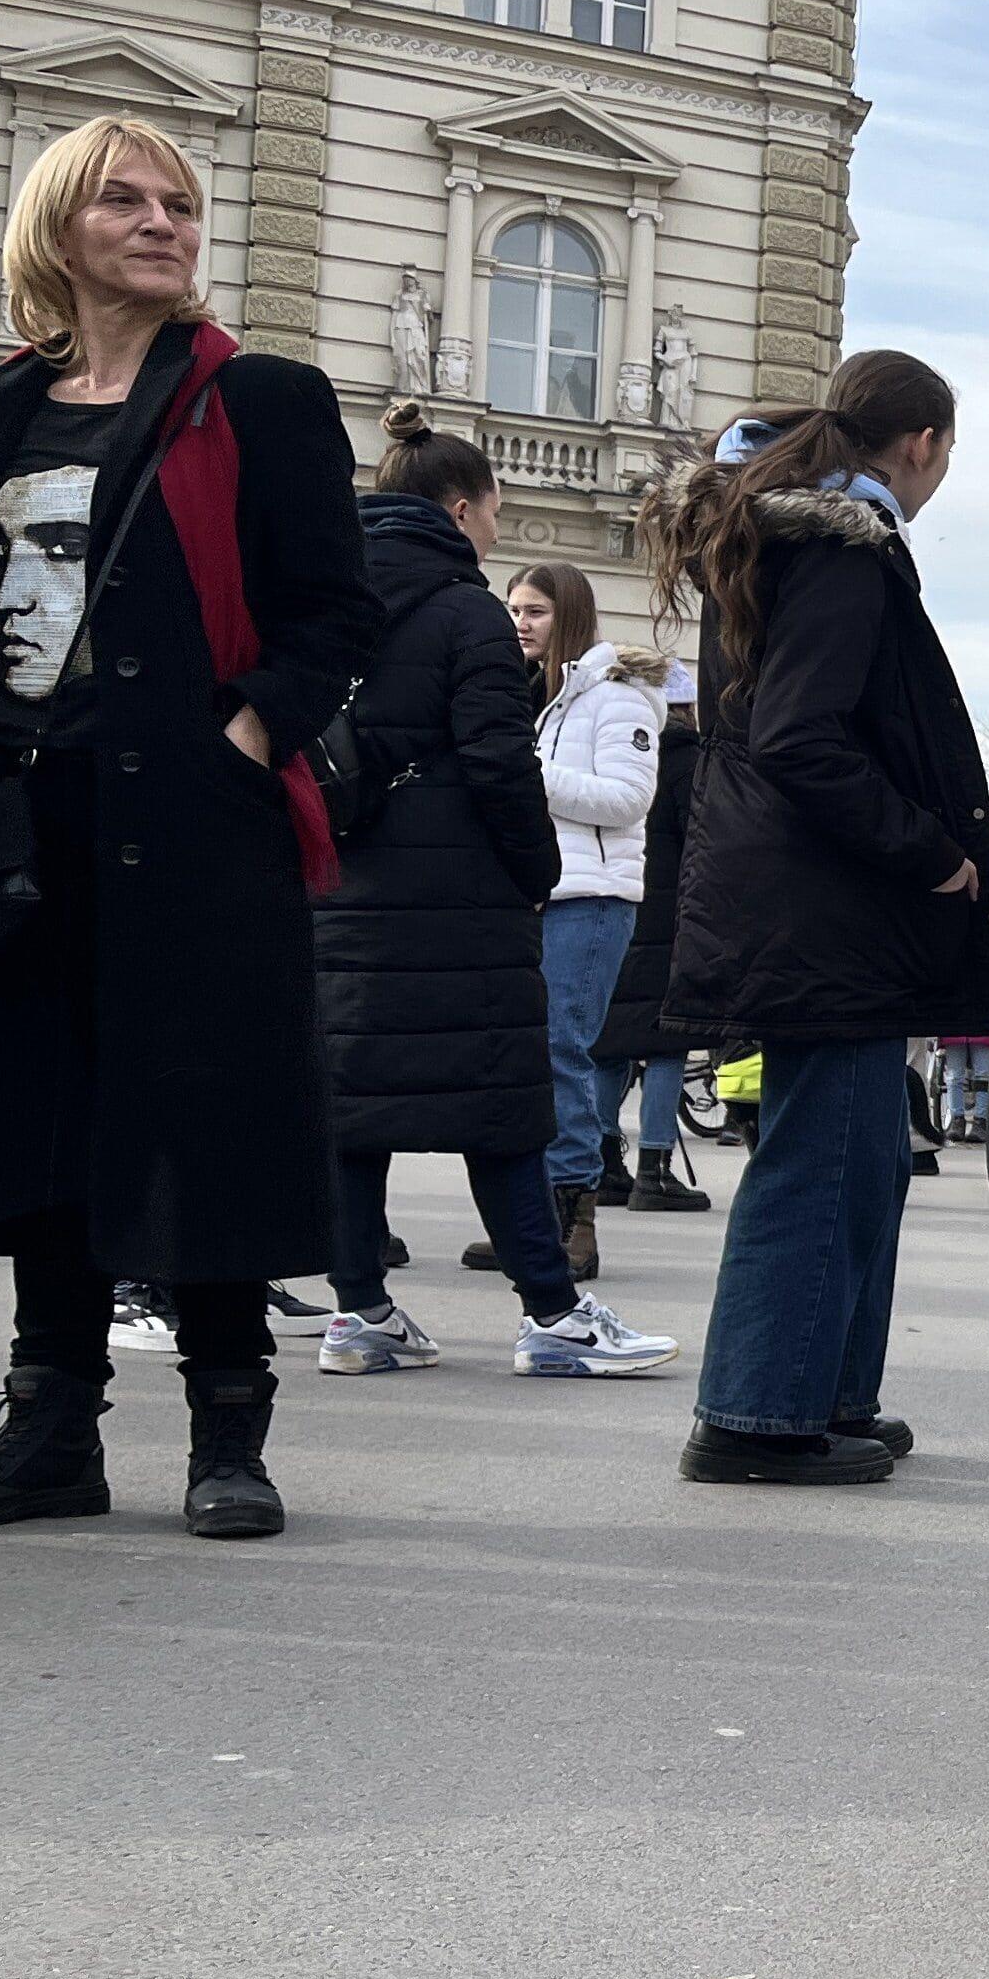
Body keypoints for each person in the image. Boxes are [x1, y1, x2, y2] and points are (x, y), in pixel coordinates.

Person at [0, 115, 377, 1539]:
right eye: (125, 202)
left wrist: (247, 730)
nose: (163, 223)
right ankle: (50, 1429)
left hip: (196, 824)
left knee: (204, 1114)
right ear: (57, 230)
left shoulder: (258, 396)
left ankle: (228, 1431)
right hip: (27, 824)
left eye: (182, 204)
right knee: (47, 1127)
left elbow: (333, 611)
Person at [651, 350, 989, 1487]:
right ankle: (756, 1415)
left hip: (794, 891)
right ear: (926, 444)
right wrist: (930, 849)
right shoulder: (842, 545)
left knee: (855, 1157)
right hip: (827, 897)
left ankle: (824, 1392)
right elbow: (803, 735)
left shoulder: (782, 533)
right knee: (822, 1157)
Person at [310, 408, 674, 1380]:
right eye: (494, 509)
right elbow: (495, 761)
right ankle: (553, 1316)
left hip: (338, 887)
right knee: (504, 1103)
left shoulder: (322, 600)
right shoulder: (463, 611)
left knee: (351, 1106)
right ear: (463, 507)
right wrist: (534, 871)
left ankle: (360, 1316)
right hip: (460, 897)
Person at [459, 561, 657, 1285]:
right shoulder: (541, 699)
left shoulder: (616, 696)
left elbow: (628, 798)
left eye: (535, 610)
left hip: (593, 899)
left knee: (559, 1050)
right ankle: (534, 1221)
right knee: (527, 1055)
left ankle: (575, 1217)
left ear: (569, 615)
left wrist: (525, 775)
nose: (520, 623)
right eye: (513, 608)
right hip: (540, 895)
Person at [590, 667, 709, 1215]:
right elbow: (703, 848)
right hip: (671, 922)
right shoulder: (692, 763)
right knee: (667, 1046)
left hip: (612, 905)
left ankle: (602, 1163)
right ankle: (653, 1170)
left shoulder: (613, 752)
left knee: (607, 1045)